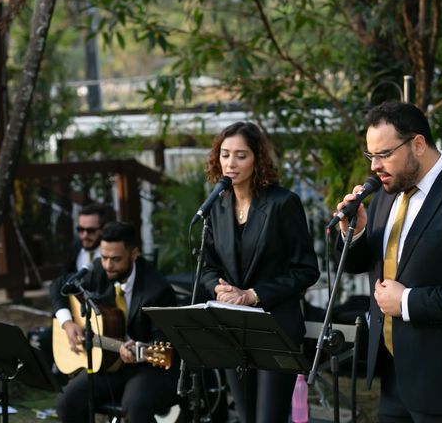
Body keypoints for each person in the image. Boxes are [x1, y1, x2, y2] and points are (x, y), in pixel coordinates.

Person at [334, 101, 442, 422]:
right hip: (393, 381)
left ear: (418, 144)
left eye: (384, 154)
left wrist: (407, 301)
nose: (375, 166)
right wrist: (356, 233)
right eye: (370, 156)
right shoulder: (386, 193)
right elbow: (359, 262)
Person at [200, 121, 320, 423]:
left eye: (241, 155)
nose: (230, 163)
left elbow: (307, 270)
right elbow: (207, 267)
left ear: (258, 159)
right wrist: (219, 289)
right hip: (231, 328)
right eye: (225, 154)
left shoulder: (283, 203)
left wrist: (252, 295)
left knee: (268, 419)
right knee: (245, 417)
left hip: (276, 328)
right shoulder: (217, 205)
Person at [54, 221, 178, 423]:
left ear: (134, 254)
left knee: (135, 408)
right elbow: (58, 286)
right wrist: (68, 323)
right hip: (108, 363)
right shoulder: (100, 270)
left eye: (116, 259)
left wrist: (140, 351)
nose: (108, 265)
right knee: (66, 401)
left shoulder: (157, 290)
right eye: (103, 257)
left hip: (147, 368)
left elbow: (164, 347)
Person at [50, 202, 115, 345]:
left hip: (108, 324)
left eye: (90, 230)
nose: (84, 235)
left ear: (104, 229)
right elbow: (59, 284)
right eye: (80, 229)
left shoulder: (112, 259)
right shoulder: (75, 247)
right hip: (76, 320)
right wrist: (67, 322)